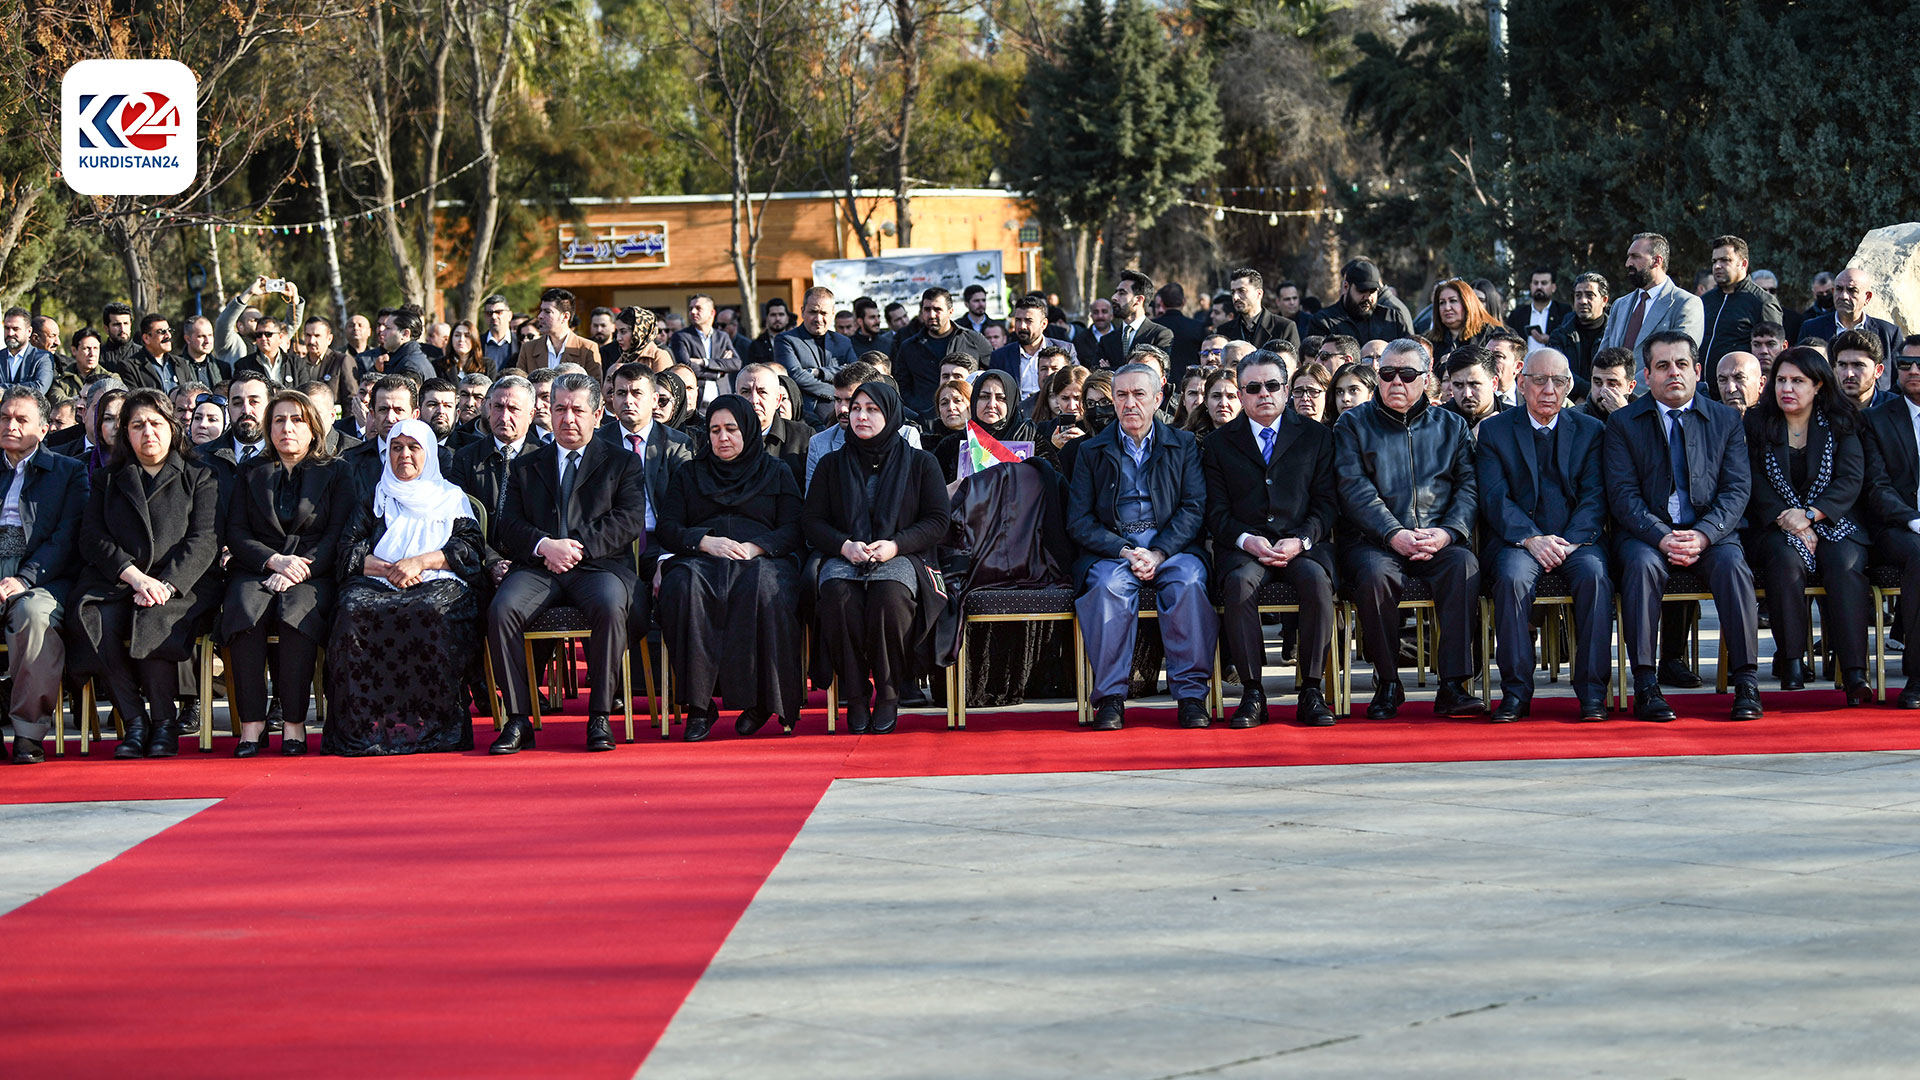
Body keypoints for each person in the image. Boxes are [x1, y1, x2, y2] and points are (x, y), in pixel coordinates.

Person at [1604, 330, 1761, 722]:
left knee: (1733, 567)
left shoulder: (1725, 420)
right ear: (1645, 376)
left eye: (1681, 364)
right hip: (1646, 534)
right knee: (1640, 568)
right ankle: (1645, 683)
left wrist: (1704, 534)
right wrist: (1661, 536)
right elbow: (1622, 494)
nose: (1673, 373)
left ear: (1697, 370)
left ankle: (1746, 682)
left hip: (1711, 532)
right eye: (1662, 366)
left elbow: (1737, 488)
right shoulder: (1623, 423)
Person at [486, 373, 647, 754]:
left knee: (611, 607)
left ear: (598, 414)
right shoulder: (527, 465)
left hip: (600, 566)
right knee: (502, 609)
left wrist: (575, 549)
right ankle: (518, 719)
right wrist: (545, 546)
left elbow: (628, 521)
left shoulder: (621, 463)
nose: (568, 418)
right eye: (559, 409)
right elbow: (507, 524)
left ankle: (600, 716)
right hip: (540, 568)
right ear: (548, 411)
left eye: (577, 410)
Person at [1334, 338, 1486, 719]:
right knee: (1373, 576)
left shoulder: (1451, 425)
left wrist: (1449, 532)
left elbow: (1468, 487)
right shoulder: (1352, 424)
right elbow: (1354, 490)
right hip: (1376, 541)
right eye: (1386, 374)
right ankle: (1388, 683)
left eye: (1406, 374)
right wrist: (1393, 534)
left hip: (1438, 537)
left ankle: (1453, 685)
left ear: (1427, 379)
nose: (1396, 382)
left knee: (1463, 566)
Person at [67, 389, 221, 759]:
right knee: (93, 619)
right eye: (137, 425)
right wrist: (134, 577)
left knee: (153, 617)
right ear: (126, 433)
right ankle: (135, 721)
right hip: (120, 580)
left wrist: (166, 585)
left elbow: (204, 540)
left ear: (172, 427)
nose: (147, 432)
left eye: (155, 423)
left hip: (182, 583)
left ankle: (165, 724)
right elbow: (91, 538)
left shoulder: (200, 476)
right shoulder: (108, 479)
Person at [322, 418, 487, 755]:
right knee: (353, 612)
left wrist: (420, 562)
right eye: (396, 448)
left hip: (438, 583)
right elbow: (347, 551)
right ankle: (364, 731)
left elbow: (468, 550)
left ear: (428, 453)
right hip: (378, 582)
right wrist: (390, 569)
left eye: (414, 448)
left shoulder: (450, 497)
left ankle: (434, 729)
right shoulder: (375, 497)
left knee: (431, 612)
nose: (404, 455)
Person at [1066, 363, 1216, 731]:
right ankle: (1111, 699)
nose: (1129, 403)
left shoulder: (1182, 446)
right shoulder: (1092, 451)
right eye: (1121, 395)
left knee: (1189, 582)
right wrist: (1124, 550)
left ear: (1158, 399)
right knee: (1105, 588)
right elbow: (1079, 520)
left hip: (1172, 549)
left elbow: (1194, 508)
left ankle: (1191, 697)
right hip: (1115, 553)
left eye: (1138, 395)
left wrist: (1159, 552)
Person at [1474, 350, 1612, 721]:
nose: (1549, 389)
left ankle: (1592, 694)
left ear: (1569, 387)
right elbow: (1493, 497)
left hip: (1575, 541)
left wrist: (1568, 542)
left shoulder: (1590, 431)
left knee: (1596, 576)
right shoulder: (1495, 431)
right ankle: (1516, 693)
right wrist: (1532, 539)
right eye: (1539, 380)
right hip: (1518, 542)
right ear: (1521, 384)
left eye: (1559, 381)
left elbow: (1596, 497)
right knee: (1511, 578)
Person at [802, 381, 947, 734]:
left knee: (889, 596)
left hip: (902, 555)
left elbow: (937, 521)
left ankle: (888, 692)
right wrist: (843, 546)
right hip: (846, 554)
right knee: (837, 595)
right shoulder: (831, 464)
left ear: (891, 414)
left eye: (872, 409)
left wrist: (895, 546)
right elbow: (811, 521)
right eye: (856, 408)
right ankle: (854, 692)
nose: (861, 416)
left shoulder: (920, 463)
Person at [1203, 351, 1338, 728]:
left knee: (1316, 583)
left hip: (1302, 545)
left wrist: (1301, 541)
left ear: (1286, 389)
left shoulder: (1316, 436)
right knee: (1238, 584)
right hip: (1245, 548)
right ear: (1241, 394)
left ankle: (1311, 689)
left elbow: (1328, 504)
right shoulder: (1217, 444)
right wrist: (1246, 540)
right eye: (1253, 387)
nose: (1264, 394)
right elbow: (1214, 512)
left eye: (1272, 385)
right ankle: (1252, 692)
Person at [658, 395, 805, 740]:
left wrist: (758, 548)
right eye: (715, 430)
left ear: (749, 430)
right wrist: (704, 541)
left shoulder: (777, 471)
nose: (722, 438)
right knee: (681, 586)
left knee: (765, 586)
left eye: (731, 429)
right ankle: (698, 705)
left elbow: (796, 527)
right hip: (701, 557)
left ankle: (763, 702)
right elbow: (668, 526)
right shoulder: (689, 473)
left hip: (761, 558)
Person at [221, 391, 355, 756]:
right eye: (279, 420)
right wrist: (273, 561)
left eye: (296, 420)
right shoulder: (251, 472)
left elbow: (338, 533)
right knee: (243, 610)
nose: (287, 428)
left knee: (296, 617)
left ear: (313, 428)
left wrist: (299, 568)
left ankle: (294, 723)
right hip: (259, 567)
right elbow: (236, 531)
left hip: (314, 572)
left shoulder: (337, 470)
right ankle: (252, 724)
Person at [1742, 347, 1871, 702]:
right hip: (1775, 524)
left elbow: (1849, 479)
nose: (1788, 388)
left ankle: (1854, 672)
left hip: (1835, 520)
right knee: (1786, 561)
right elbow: (1753, 480)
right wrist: (1790, 520)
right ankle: (1792, 662)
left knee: (1844, 564)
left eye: (1798, 381)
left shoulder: (1843, 421)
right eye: (1782, 380)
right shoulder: (1756, 422)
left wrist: (1811, 514)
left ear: (1817, 385)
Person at [0, 388, 89, 764]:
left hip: (44, 576)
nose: (10, 426)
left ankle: (27, 733)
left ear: (44, 427)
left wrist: (24, 578)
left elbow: (67, 536)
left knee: (33, 617)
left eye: (21, 420)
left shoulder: (69, 472)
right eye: (5, 418)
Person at [1598, 233, 1706, 375]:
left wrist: (1630, 391)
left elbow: (1678, 360)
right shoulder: (1620, 305)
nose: (1628, 263)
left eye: (1635, 257)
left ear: (1656, 261)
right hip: (1613, 392)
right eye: (1629, 256)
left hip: (1655, 394)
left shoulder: (1686, 304)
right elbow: (1603, 357)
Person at [805, 362, 923, 489]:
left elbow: (916, 493)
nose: (842, 409)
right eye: (838, 400)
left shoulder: (906, 436)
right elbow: (815, 502)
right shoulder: (820, 443)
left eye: (851, 400)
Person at [891, 287, 992, 417]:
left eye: (937, 309)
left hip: (967, 418)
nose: (932, 315)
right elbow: (901, 386)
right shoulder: (909, 346)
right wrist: (917, 408)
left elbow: (993, 376)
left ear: (950, 312)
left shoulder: (973, 340)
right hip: (924, 420)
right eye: (927, 309)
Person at [1699, 236, 1783, 385]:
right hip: (1701, 391)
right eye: (1714, 261)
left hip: (1739, 392)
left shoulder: (1762, 302)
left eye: (1725, 260)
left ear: (1743, 264)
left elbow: (1772, 353)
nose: (1717, 266)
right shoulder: (1705, 301)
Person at [1798, 268, 1902, 377]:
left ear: (1867, 297)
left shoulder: (1889, 333)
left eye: (1852, 290)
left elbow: (1899, 380)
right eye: (1839, 289)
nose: (1843, 296)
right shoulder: (1811, 328)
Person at [774, 286, 856, 423]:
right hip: (805, 414)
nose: (818, 318)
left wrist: (819, 372)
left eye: (824, 313)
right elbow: (795, 375)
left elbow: (855, 373)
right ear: (802, 311)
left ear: (833, 314)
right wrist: (836, 393)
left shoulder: (843, 342)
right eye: (813, 312)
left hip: (843, 412)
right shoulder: (785, 340)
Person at [1308, 260, 1414, 344]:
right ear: (1345, 287)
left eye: (1372, 291)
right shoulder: (1323, 322)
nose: (1367, 297)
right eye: (1362, 290)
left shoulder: (1393, 318)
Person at [519, 287, 604, 381]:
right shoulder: (528, 349)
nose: (540, 316)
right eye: (541, 310)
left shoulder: (587, 348)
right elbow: (520, 388)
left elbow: (595, 390)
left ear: (565, 316)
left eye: (547, 312)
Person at [1097, 271, 1175, 371]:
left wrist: (1109, 369)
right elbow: (1097, 373)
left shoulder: (1160, 335)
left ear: (1138, 300)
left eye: (1122, 293)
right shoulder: (1106, 341)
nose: (1114, 297)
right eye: (1116, 292)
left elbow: (1153, 372)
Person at [1218, 268, 1302, 359]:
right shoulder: (1224, 331)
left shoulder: (1284, 327)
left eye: (1241, 291)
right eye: (1233, 292)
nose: (1235, 297)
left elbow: (1293, 366)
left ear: (1259, 293)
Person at [1505, 267, 1570, 358]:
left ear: (1553, 287)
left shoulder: (1564, 312)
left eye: (1544, 283)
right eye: (1536, 283)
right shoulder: (1517, 314)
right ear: (1530, 286)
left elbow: (1569, 342)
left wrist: (1549, 339)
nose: (1539, 287)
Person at [1426, 278, 1500, 358]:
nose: (1447, 308)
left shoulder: (1491, 335)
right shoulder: (1429, 341)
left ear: (1467, 303)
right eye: (1442, 302)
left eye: (1453, 301)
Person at [1441, 346, 1508, 432]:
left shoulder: (1516, 418)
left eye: (1474, 384)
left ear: (1494, 384)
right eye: (1458, 385)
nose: (1467, 394)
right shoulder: (1437, 421)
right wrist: (1472, 438)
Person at [1832, 329, 1896, 411]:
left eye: (1858, 365)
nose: (1849, 374)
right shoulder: (1823, 410)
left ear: (1878, 370)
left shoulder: (1898, 409)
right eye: (1842, 365)